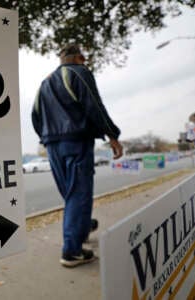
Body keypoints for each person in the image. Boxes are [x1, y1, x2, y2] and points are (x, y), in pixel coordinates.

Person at [32, 43, 123, 267]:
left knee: (70, 192)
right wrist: (112, 135)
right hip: (76, 141)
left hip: (52, 144)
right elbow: (94, 105)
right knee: (79, 193)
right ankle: (72, 251)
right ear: (80, 57)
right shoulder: (79, 73)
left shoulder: (44, 83)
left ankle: (82, 226)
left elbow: (35, 116)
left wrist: (47, 136)